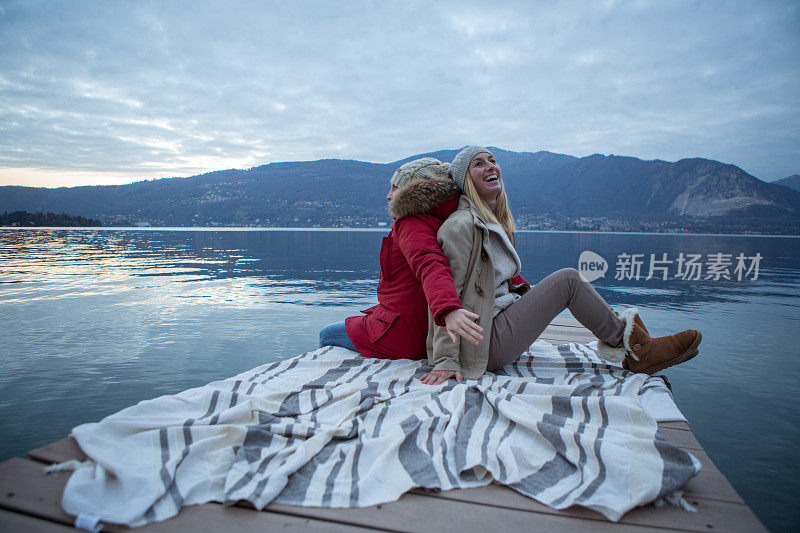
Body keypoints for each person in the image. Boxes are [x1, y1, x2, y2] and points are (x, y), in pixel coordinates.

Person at [421, 146, 702, 385]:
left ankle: (634, 342)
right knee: (569, 280)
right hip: (484, 344)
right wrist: (446, 359)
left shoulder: (489, 221)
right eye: (478, 164)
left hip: (495, 326)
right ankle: (639, 350)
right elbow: (447, 295)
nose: (489, 166)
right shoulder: (460, 226)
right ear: (465, 181)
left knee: (564, 283)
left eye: (492, 160)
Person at [319, 158, 484, 360]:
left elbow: (430, 264)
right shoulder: (450, 219)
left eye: (395, 188)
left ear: (411, 190)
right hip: (429, 328)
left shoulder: (410, 223)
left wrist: (448, 310)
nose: (388, 196)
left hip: (404, 334)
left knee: (326, 334)